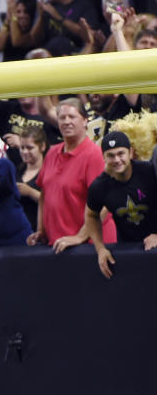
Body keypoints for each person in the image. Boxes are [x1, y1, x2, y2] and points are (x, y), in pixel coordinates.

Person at [53, 131, 157, 277]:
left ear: (131, 152)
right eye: (111, 155)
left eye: (121, 153)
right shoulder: (100, 185)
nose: (117, 159)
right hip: (127, 249)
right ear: (103, 157)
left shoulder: (149, 171)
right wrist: (100, 248)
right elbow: (91, 214)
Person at [29, 99, 113, 246]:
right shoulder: (52, 152)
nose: (66, 122)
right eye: (62, 117)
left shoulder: (94, 155)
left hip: (90, 246)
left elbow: (105, 204)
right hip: (59, 245)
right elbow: (44, 194)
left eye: (72, 117)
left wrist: (80, 236)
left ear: (85, 121)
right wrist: (41, 230)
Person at [15, 126, 47, 230]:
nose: (24, 152)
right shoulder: (18, 170)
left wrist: (30, 192)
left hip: (38, 229)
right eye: (22, 147)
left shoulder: (48, 172)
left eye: (30, 148)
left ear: (42, 147)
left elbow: (54, 201)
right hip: (18, 231)